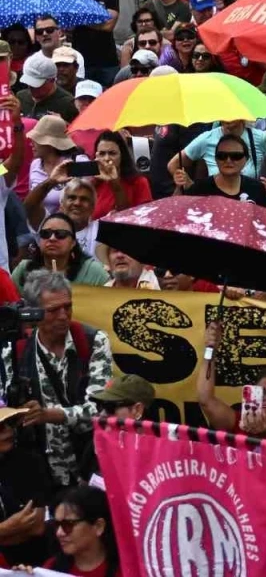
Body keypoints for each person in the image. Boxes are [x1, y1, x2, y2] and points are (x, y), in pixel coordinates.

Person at [0, 271, 113, 490]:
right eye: (53, 310)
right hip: (38, 471)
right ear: (33, 313)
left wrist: (48, 415)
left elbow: (101, 411)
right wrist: (19, 412)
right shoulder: (15, 351)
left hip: (88, 466)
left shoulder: (92, 341)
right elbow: (5, 409)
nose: (63, 316)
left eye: (67, 307)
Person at [197, 323, 266, 480]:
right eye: (261, 391)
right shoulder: (238, 421)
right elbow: (205, 400)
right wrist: (210, 350)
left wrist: (264, 437)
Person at [0, 403, 52, 568]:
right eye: (0, 426)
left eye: (10, 423)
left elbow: (36, 527)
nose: (8, 430)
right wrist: (7, 528)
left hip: (30, 563)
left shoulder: (29, 461)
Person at [12, 213, 110, 288]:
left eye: (60, 234)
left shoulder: (93, 272)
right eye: (46, 233)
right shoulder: (23, 269)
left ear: (73, 243)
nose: (52, 238)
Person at [178, 133, 266, 205]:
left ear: (246, 159)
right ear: (215, 159)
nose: (228, 160)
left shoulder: (256, 188)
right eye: (222, 156)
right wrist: (179, 186)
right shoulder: (199, 189)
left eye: (236, 156)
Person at [46, 485, 120, 576]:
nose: (59, 533)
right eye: (56, 524)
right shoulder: (51, 569)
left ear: (98, 526)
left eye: (68, 524)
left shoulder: (126, 569)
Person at [90, 131, 152, 218]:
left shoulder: (139, 182)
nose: (107, 158)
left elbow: (144, 217)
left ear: (122, 155)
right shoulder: (94, 183)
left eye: (112, 153)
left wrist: (116, 185)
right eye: (102, 154)